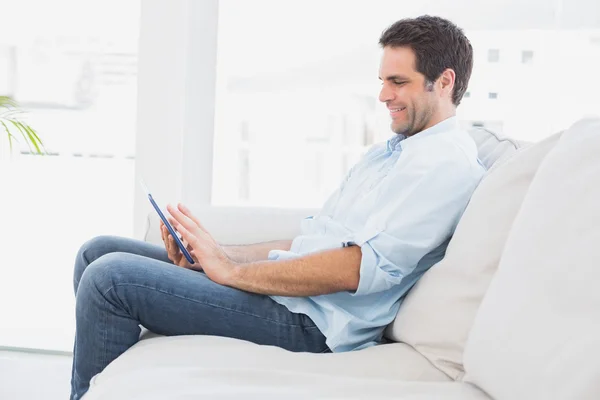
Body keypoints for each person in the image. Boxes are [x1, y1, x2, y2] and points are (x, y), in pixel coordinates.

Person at [70, 15, 485, 399]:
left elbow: (358, 267)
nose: (383, 95)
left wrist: (233, 272)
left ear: (444, 81)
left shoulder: (444, 164)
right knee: (98, 251)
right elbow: (314, 237)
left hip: (313, 323)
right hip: (291, 298)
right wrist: (215, 255)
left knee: (110, 280)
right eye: (382, 80)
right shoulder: (391, 154)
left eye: (398, 81)